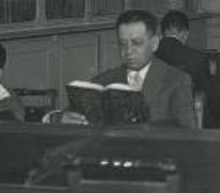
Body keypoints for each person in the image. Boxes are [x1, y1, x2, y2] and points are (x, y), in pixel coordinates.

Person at [53, 10, 196, 127]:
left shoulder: (176, 80)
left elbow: (188, 134)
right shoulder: (104, 81)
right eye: (123, 44)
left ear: (154, 44)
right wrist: (60, 118)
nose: (128, 51)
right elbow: (67, 114)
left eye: (136, 43)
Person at [156, 10, 216, 98]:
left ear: (162, 32)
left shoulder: (147, 56)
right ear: (185, 33)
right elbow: (210, 96)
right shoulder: (198, 58)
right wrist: (213, 76)